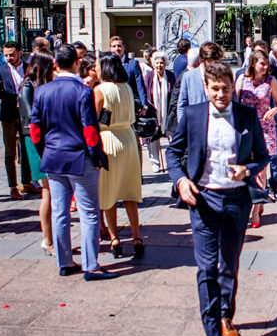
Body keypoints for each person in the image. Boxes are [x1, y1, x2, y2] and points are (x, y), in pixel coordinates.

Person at [167, 61, 271, 336]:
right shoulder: (193, 115)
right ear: (206, 89)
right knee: (206, 267)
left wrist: (247, 169)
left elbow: (262, 156)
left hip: (237, 200)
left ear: (232, 86)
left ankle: (226, 315)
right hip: (203, 200)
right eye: (215, 89)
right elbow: (174, 152)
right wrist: (181, 180)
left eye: (226, 88)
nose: (221, 94)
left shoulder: (247, 115)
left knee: (229, 264)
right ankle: (212, 335)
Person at [30, 44, 117, 281]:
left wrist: (44, 151)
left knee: (60, 212)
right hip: (80, 157)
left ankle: (65, 261)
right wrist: (97, 155)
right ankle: (91, 265)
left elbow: (35, 130)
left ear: (56, 64)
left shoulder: (42, 92)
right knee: (89, 212)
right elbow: (90, 129)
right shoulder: (82, 91)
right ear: (77, 63)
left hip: (54, 157)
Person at [94, 52, 143, 260]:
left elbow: (94, 119)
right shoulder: (127, 88)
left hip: (109, 138)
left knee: (109, 193)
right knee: (130, 192)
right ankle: (136, 236)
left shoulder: (100, 90)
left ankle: (115, 239)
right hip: (129, 138)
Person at [236, 49, 277, 228]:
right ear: (253, 64)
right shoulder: (241, 79)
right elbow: (234, 101)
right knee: (247, 169)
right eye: (262, 64)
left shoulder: (271, 81)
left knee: (262, 170)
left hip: (265, 128)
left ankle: (256, 211)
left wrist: (274, 110)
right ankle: (254, 201)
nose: (265, 67)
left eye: (266, 64)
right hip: (246, 129)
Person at [20, 50, 54, 255]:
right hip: (35, 140)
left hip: (43, 138)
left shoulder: (39, 86)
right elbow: (32, 118)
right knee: (47, 191)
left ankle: (50, 238)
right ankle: (47, 239)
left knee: (49, 191)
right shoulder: (27, 86)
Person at [0, 41, 35, 200]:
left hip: (25, 114)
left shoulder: (28, 68)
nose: (9, 58)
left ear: (19, 52)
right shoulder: (0, 70)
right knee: (10, 151)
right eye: (6, 55)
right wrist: (17, 96)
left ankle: (27, 181)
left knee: (26, 149)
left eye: (11, 54)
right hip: (9, 114)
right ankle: (12, 186)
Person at [177, 41, 223, 121]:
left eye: (217, 61)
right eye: (212, 61)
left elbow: (231, 107)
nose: (215, 65)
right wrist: (184, 126)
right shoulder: (188, 77)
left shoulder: (223, 77)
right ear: (202, 59)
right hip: (195, 126)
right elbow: (182, 105)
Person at [146, 51, 176, 173]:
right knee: (153, 137)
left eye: (162, 63)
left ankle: (172, 161)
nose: (159, 65)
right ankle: (155, 162)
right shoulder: (149, 76)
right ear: (153, 64)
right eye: (157, 63)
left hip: (168, 112)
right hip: (153, 111)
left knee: (172, 136)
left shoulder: (170, 76)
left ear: (165, 64)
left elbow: (174, 92)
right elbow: (146, 92)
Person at [109, 36, 148, 107]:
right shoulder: (108, 65)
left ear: (124, 47)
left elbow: (140, 85)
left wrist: (144, 104)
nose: (117, 49)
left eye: (119, 46)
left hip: (129, 103)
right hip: (114, 104)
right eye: (114, 46)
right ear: (110, 49)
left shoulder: (133, 64)